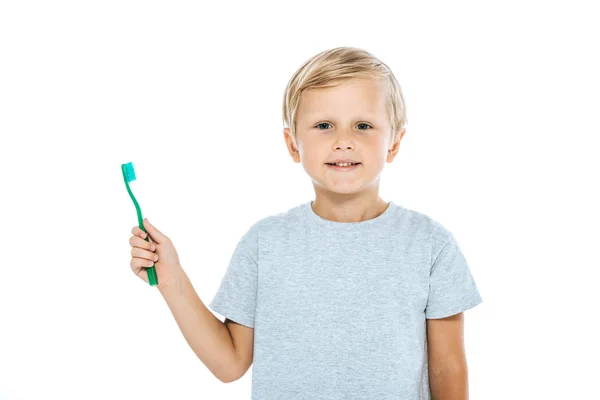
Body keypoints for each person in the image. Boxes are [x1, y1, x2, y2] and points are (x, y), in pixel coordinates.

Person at [128, 46, 483, 399]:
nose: (344, 141)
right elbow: (229, 364)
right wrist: (171, 279)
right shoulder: (264, 243)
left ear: (394, 143)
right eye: (324, 125)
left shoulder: (431, 245)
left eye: (363, 125)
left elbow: (448, 367)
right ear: (292, 144)